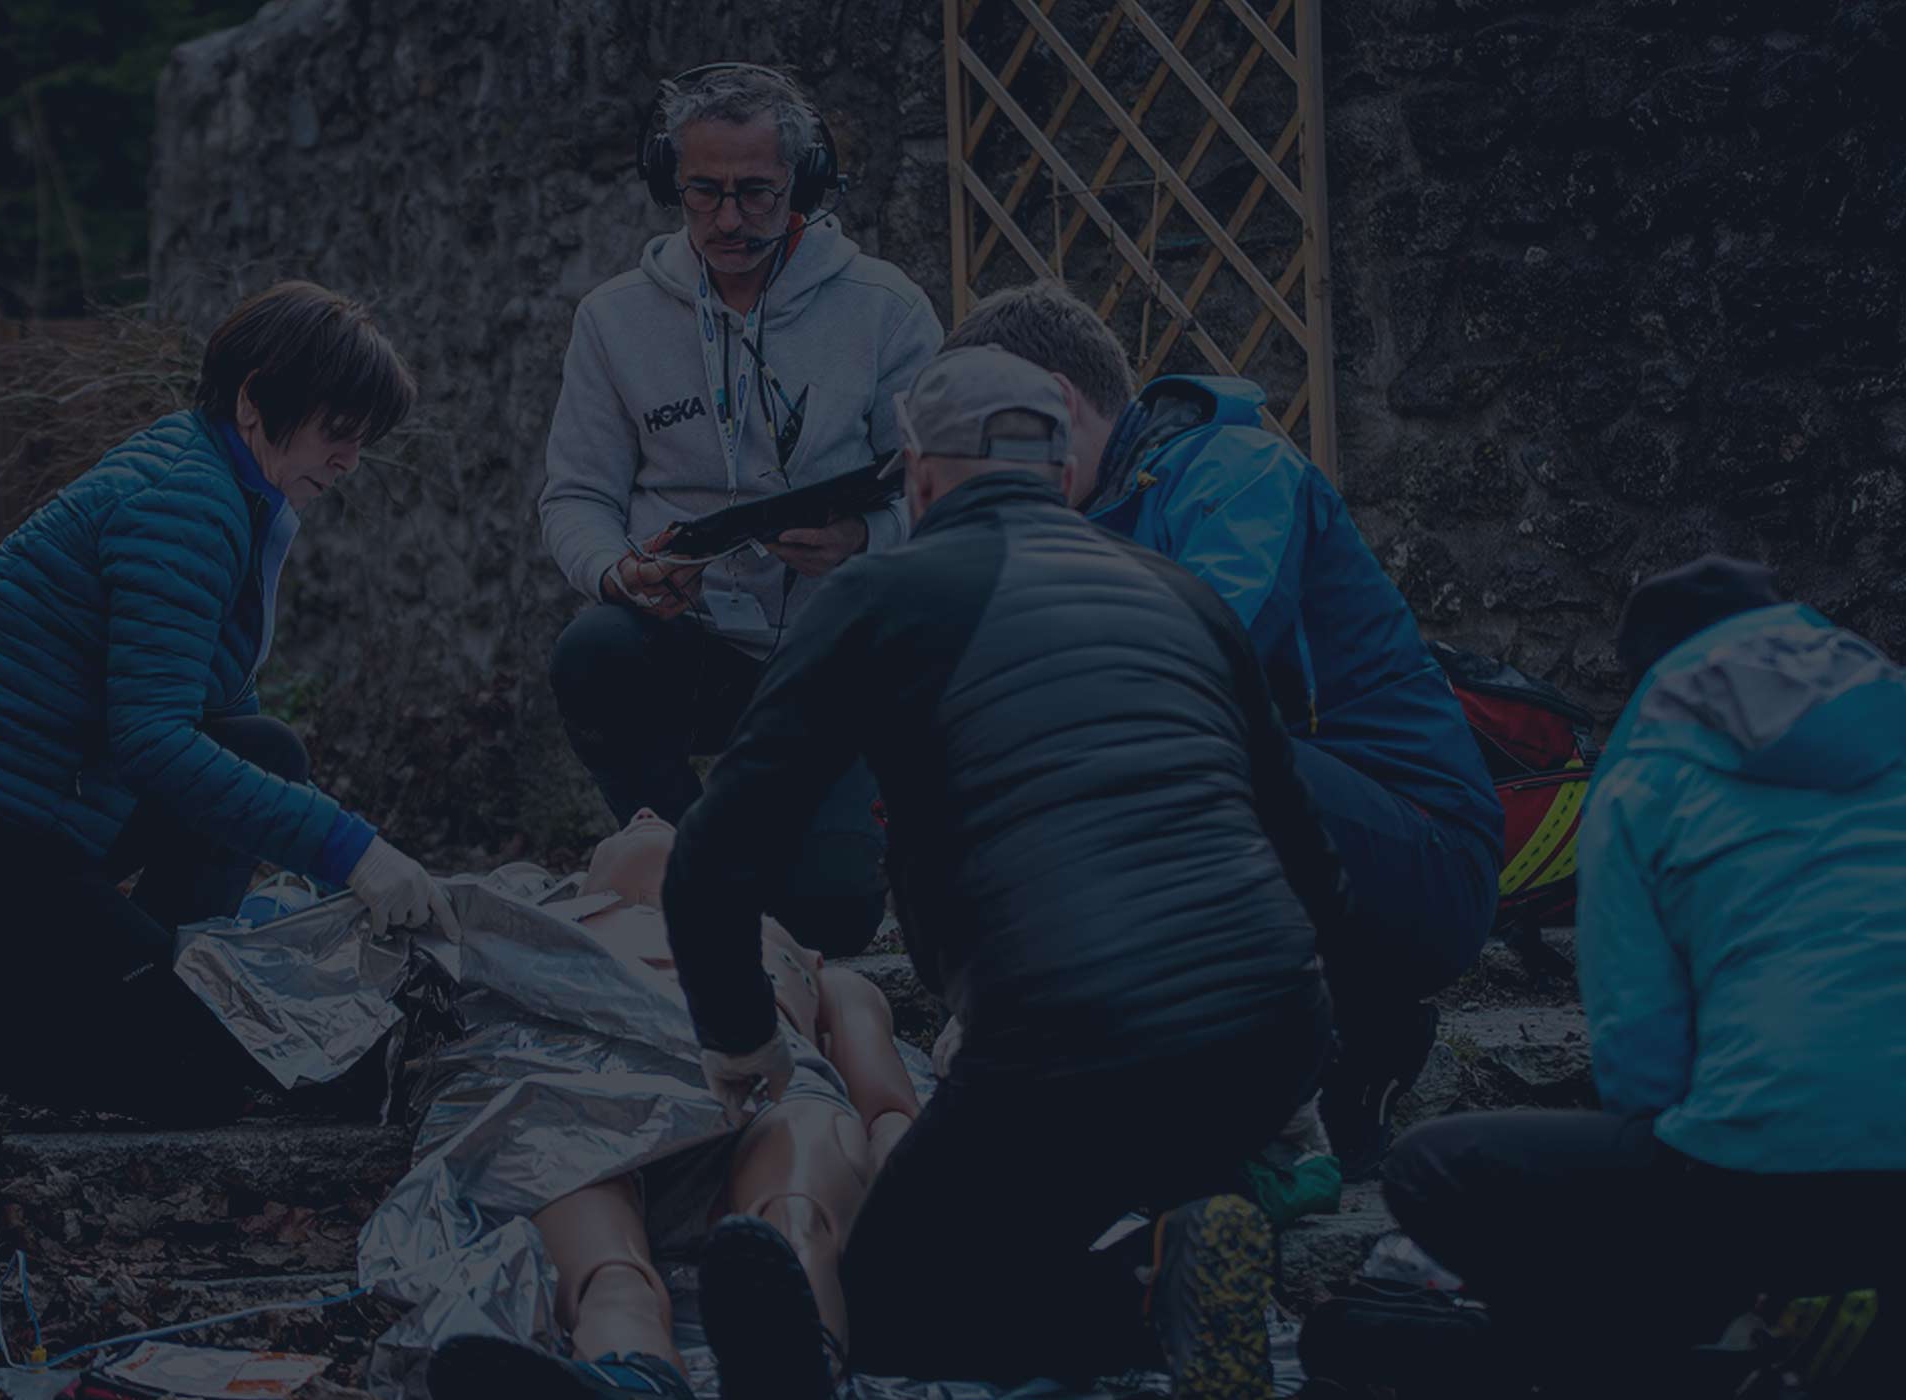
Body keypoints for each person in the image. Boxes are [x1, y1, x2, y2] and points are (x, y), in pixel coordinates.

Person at [662, 347, 1344, 1395]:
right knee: (1037, 1207)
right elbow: (1303, 849)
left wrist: (740, 1035)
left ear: (919, 477)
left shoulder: (886, 590)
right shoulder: (1180, 594)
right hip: (1266, 1036)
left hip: (1069, 1033)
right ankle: (1182, 1254)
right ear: (1063, 470)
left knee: (897, 1303)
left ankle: (1145, 1296)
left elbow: (714, 852)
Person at [1381, 556, 1906, 1391]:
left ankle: (1686, 1349)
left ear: (1656, 667)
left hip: (1775, 1193)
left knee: (1432, 1163)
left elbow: (1640, 1058)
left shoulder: (1642, 773)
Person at [0, 281, 449, 1134]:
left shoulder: (222, 488)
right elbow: (155, 745)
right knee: (193, 1078)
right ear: (256, 400)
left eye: (362, 439)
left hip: (20, 813)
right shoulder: (187, 504)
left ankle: (178, 984)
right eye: (337, 431)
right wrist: (353, 852)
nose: (350, 459)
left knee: (265, 749)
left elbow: (218, 725)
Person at [937, 281, 1503, 1174]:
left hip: (1420, 858)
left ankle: (1307, 1045)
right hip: (1285, 851)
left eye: (997, 436)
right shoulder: (1079, 517)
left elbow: (1200, 662)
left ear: (1057, 398)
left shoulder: (1237, 470)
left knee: (1152, 742)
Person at [539, 62, 943, 957]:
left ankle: (760, 888)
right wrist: (619, 570)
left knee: (828, 921)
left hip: (841, 651)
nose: (728, 219)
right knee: (596, 650)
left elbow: (944, 494)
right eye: (704, 193)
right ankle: (696, 870)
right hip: (696, 646)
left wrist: (865, 539)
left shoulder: (887, 308)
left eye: (755, 194)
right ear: (668, 183)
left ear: (800, 184)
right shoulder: (613, 319)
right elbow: (575, 496)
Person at [412, 809, 923, 1400]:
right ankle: (628, 1360)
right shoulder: (531, 933)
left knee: (801, 1160)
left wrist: (902, 1196)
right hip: (577, 1087)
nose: (644, 813)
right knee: (570, 1187)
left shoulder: (810, 965)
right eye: (627, 827)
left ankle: (793, 1347)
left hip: (758, 1084)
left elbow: (888, 1110)